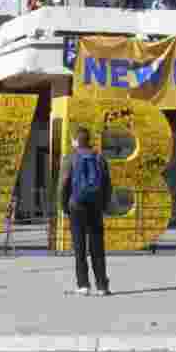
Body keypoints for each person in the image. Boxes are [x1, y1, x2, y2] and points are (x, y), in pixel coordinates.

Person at [59, 127, 113, 296]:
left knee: (79, 246)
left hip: (76, 205)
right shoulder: (99, 157)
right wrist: (103, 204)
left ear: (75, 140)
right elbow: (107, 184)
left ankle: (83, 285)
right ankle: (102, 285)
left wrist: (64, 206)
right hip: (95, 206)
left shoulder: (70, 158)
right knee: (97, 246)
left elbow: (63, 184)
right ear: (88, 140)